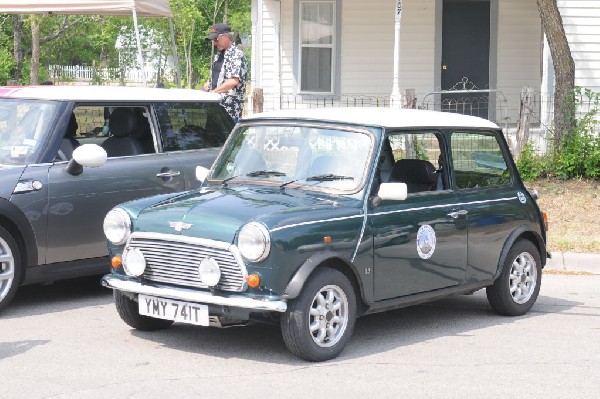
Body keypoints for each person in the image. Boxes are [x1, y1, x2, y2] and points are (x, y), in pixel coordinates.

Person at [203, 23, 248, 123]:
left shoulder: (236, 55)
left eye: (216, 39)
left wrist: (212, 94)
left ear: (226, 36)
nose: (214, 42)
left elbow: (233, 81)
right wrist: (202, 91)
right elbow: (213, 79)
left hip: (228, 112)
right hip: (214, 108)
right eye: (213, 40)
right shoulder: (219, 55)